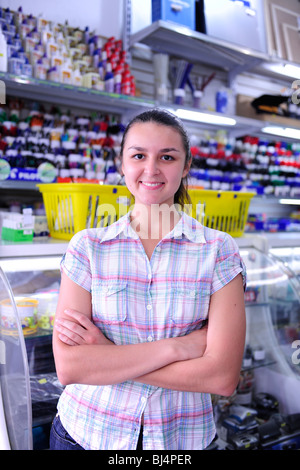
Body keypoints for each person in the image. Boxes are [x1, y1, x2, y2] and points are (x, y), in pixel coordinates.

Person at [50, 108, 246, 451]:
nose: (151, 169)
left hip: (179, 440)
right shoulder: (88, 247)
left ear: (185, 167)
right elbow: (71, 367)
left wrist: (108, 358)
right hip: (86, 434)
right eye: (139, 155)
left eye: (167, 157)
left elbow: (221, 378)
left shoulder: (218, 250)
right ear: (122, 164)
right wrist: (179, 347)